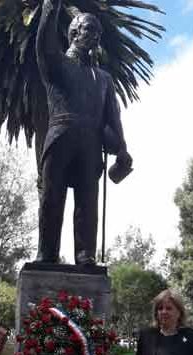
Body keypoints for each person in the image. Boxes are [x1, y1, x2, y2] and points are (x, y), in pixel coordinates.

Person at [35, 0, 133, 265]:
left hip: (90, 142)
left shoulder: (104, 79)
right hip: (61, 136)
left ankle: (85, 253)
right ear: (74, 32)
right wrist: (50, 9)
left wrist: (122, 149)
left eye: (98, 34)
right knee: (52, 197)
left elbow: (113, 117)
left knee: (88, 201)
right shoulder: (58, 65)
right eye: (89, 30)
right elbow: (44, 46)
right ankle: (47, 253)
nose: (94, 37)